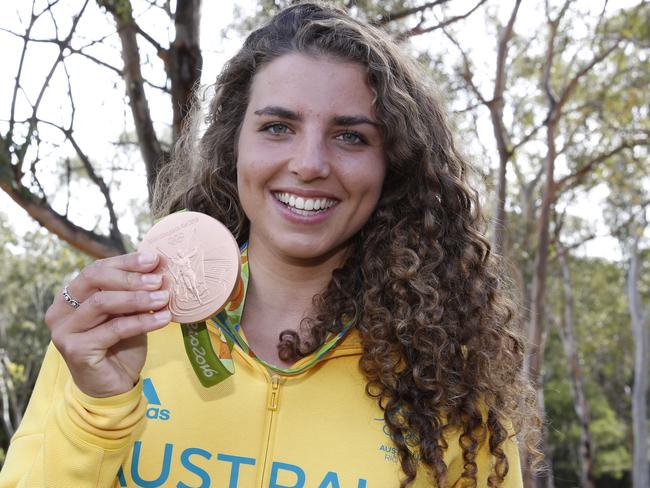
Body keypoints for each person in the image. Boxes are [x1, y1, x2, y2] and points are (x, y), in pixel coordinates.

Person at [0, 2, 540, 486]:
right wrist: (100, 406)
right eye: (278, 127)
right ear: (233, 146)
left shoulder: (446, 376)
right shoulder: (110, 330)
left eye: (350, 136)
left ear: (392, 166)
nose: (309, 164)